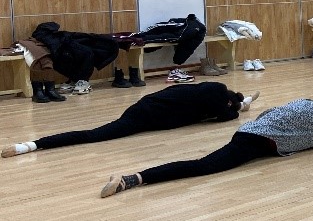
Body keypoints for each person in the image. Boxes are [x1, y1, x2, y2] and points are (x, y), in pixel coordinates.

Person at [99, 99, 313, 197]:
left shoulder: (307, 103)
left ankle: (134, 178)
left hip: (250, 131)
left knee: (204, 164)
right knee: (204, 166)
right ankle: (131, 179)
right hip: (256, 141)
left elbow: (269, 112)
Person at [2, 83, 259, 158]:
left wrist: (237, 105)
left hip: (145, 107)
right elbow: (226, 116)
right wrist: (238, 108)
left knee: (95, 134)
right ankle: (32, 145)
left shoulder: (211, 92)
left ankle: (31, 145)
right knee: (95, 135)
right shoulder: (216, 95)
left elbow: (223, 112)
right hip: (144, 115)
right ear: (228, 101)